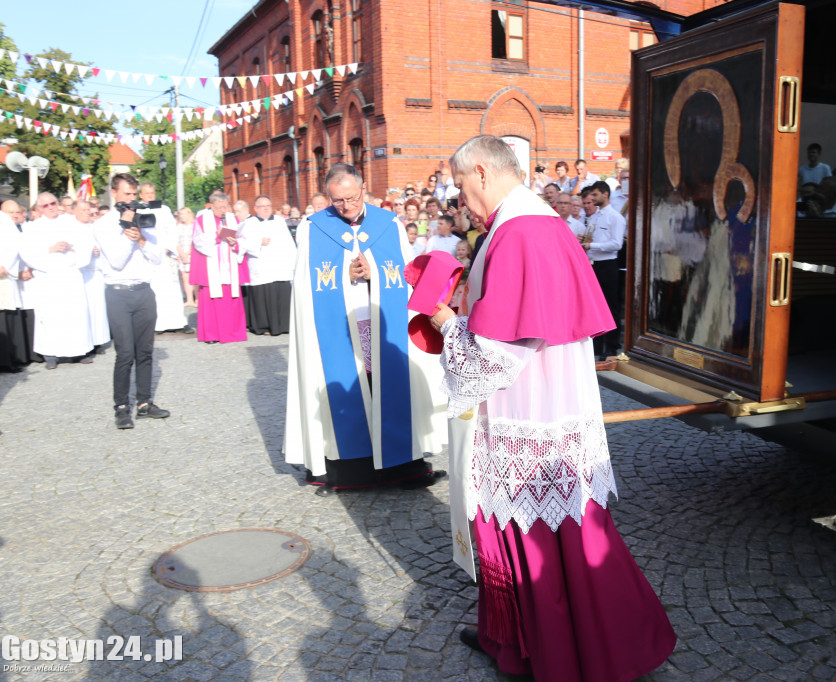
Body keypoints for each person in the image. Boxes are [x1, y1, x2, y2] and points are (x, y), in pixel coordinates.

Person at [430, 135, 676, 680]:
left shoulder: (521, 232)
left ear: (481, 170)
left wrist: (447, 325)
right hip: (541, 403)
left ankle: (578, 651)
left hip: (530, 411)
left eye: (461, 185)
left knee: (550, 542)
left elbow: (497, 352)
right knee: (545, 534)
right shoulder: (531, 222)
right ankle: (512, 641)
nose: (459, 198)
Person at [284, 163, 447, 493]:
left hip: (381, 326)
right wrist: (346, 277)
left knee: (388, 386)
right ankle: (351, 471)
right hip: (339, 329)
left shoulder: (389, 224)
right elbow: (303, 287)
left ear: (363, 189)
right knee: (345, 390)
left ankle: (403, 467)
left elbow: (406, 277)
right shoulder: (312, 228)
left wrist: (375, 276)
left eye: (352, 197)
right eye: (338, 200)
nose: (346, 206)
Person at [93, 173, 170, 429]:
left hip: (143, 290)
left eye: (134, 195)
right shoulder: (103, 224)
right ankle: (122, 406)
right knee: (125, 353)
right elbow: (116, 261)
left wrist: (142, 239)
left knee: (145, 352)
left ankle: (144, 402)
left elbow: (158, 256)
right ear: (114, 193)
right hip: (118, 292)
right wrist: (127, 233)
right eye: (127, 194)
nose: (131, 199)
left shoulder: (144, 217)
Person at [19, 193, 94, 369]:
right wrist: (50, 249)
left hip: (70, 275)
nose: (51, 207)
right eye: (46, 205)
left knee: (75, 314)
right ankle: (50, 353)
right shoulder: (33, 228)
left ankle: (80, 350)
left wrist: (71, 247)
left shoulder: (70, 222)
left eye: (53, 203)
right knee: (51, 316)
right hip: (49, 278)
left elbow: (84, 245)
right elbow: (27, 253)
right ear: (39, 208)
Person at [190, 191, 248, 344]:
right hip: (212, 267)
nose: (223, 210)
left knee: (231, 300)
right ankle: (211, 335)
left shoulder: (232, 219)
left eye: (225, 206)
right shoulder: (202, 219)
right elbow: (198, 241)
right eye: (220, 207)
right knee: (212, 301)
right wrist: (216, 236)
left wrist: (235, 243)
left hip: (229, 266)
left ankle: (233, 333)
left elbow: (243, 238)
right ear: (212, 205)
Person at [241, 195, 296, 336]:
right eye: (262, 206)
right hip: (261, 266)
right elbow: (242, 243)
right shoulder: (249, 223)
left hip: (279, 265)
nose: (266, 209)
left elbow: (288, 241)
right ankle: (263, 325)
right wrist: (258, 242)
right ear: (255, 208)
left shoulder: (279, 221)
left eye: (268, 206)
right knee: (263, 297)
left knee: (281, 295)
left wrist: (293, 259)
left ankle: (284, 324)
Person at [583, 181, 627, 358]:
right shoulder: (596, 216)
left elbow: (616, 244)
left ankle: (612, 345)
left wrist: (592, 244)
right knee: (594, 306)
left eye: (595, 195)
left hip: (608, 265)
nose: (592, 198)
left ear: (605, 194)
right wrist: (587, 240)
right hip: (594, 264)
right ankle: (597, 345)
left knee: (610, 306)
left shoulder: (615, 217)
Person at [140, 184, 190, 334]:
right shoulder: (138, 210)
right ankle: (158, 324)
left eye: (152, 192)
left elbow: (172, 230)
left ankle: (178, 321)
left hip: (166, 253)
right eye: (146, 193)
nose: (150, 196)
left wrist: (169, 247)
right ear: (141, 195)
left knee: (172, 289)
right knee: (156, 290)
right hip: (150, 253)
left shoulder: (164, 209)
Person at [0, 206, 33, 372]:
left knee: (6, 318)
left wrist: (6, 266)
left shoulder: (0, 217)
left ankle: (8, 361)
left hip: (5, 274)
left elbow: (15, 244)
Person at [74, 199, 111, 353]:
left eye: (88, 210)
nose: (87, 213)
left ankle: (98, 340)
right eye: (83, 210)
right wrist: (88, 250)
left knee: (98, 309)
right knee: (85, 310)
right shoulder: (71, 228)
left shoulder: (95, 227)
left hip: (96, 272)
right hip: (81, 273)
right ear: (75, 211)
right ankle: (86, 342)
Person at [175, 207, 197, 306]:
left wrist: (188, 252)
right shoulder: (179, 227)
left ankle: (197, 298)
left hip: (193, 254)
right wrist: (182, 254)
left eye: (184, 214)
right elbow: (176, 241)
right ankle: (189, 299)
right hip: (182, 255)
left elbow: (196, 240)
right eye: (181, 214)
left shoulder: (194, 226)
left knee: (195, 278)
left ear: (189, 214)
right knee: (185, 278)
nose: (182, 216)